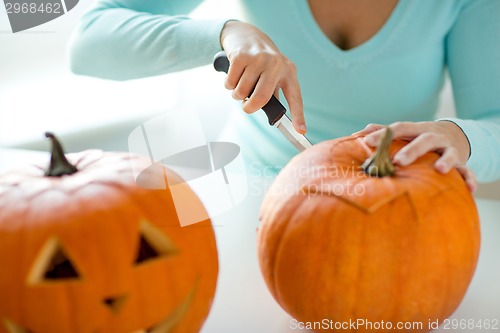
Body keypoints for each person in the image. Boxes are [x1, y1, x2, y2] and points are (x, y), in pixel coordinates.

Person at [68, 0, 500, 190]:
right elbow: (88, 41)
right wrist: (225, 34)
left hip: (395, 203)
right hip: (248, 197)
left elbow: (493, 120)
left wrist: (462, 139)